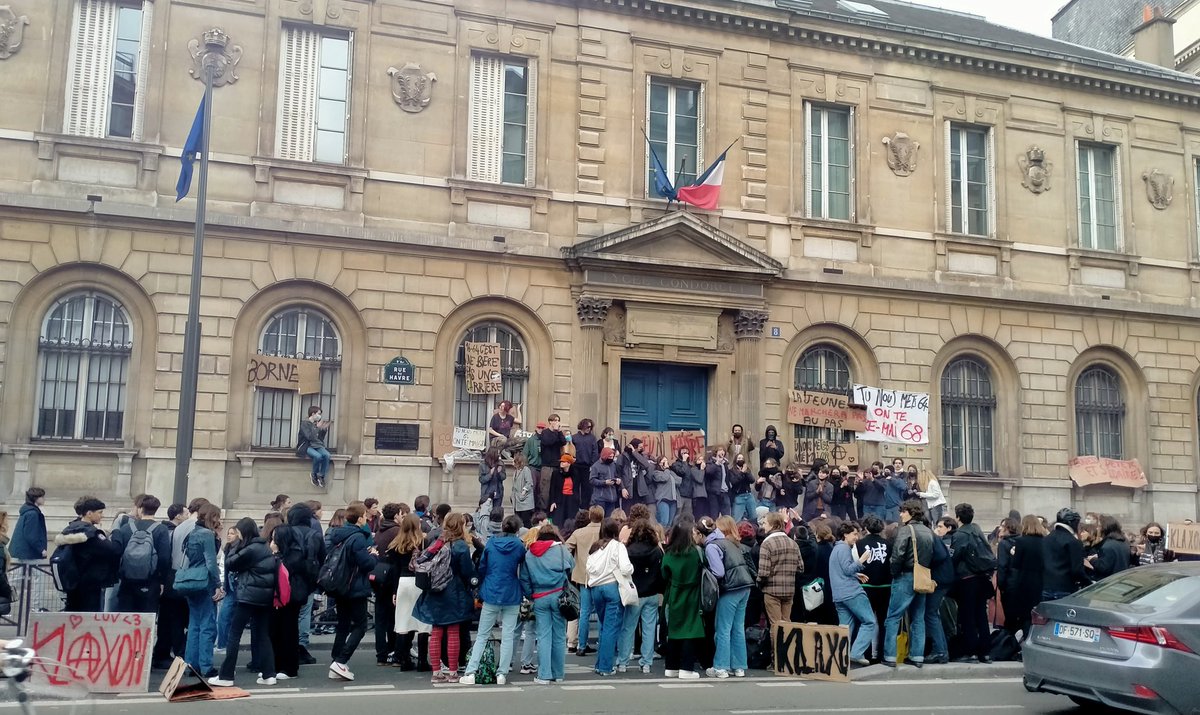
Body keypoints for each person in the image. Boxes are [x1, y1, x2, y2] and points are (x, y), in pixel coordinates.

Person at [209, 518, 278, 687]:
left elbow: (231, 563)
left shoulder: (250, 549)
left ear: (243, 532)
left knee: (234, 634)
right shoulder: (264, 547)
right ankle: (269, 674)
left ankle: (226, 676)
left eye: (238, 532)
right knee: (263, 635)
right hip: (264, 597)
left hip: (248, 596)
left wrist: (233, 546)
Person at [461, 515, 526, 685]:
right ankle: (502, 673)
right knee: (508, 635)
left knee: (482, 634)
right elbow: (523, 569)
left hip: (491, 590)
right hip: (511, 591)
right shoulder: (519, 546)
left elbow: (483, 566)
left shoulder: (491, 543)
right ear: (517, 529)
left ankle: (471, 671)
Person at [414, 513, 477, 683]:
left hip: (435, 592)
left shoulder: (438, 542)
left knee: (436, 632)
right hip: (454, 592)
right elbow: (466, 572)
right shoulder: (461, 546)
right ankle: (453, 671)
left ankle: (436, 671)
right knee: (453, 632)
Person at [269, 502, 322, 679]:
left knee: (281, 626)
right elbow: (321, 558)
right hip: (302, 584)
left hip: (285, 583)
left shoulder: (288, 532)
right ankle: (289, 665)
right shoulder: (314, 533)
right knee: (291, 625)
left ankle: (283, 665)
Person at [326, 502, 378, 681]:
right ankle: (341, 660)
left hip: (340, 584)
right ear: (360, 518)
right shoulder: (357, 538)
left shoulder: (338, 534)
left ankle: (336, 661)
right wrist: (373, 556)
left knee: (343, 624)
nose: (367, 518)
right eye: (365, 516)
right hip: (355, 586)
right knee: (361, 626)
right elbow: (365, 564)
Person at [520, 522, 574, 684]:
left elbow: (524, 577)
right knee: (558, 636)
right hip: (559, 596)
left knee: (543, 636)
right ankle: (558, 674)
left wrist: (531, 595)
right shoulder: (562, 551)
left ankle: (544, 674)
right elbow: (571, 569)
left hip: (539, 597)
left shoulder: (530, 553)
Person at [881, 500, 932, 668]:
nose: (901, 514)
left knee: (893, 617)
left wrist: (894, 573)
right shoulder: (928, 531)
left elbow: (897, 556)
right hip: (922, 576)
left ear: (911, 512)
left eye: (903, 511)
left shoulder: (905, 531)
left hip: (905, 576)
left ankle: (889, 655)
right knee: (918, 618)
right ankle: (917, 656)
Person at [700, 516, 752, 678]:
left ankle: (721, 666)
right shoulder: (732, 543)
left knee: (723, 628)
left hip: (730, 588)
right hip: (745, 586)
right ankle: (738, 666)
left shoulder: (712, 546)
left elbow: (719, 572)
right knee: (737, 628)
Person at [56, 497, 121, 612]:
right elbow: (113, 550)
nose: (102, 516)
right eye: (100, 512)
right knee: (89, 619)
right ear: (89, 513)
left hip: (73, 583)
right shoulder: (91, 534)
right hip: (90, 584)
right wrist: (116, 533)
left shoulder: (70, 528)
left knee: (73, 615)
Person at [948, 503, 995, 664]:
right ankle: (985, 652)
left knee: (967, 617)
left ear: (958, 517)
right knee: (981, 615)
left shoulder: (960, 534)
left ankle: (971, 652)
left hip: (967, 579)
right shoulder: (977, 530)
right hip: (982, 578)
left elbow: (954, 557)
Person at [585, 518, 632, 676]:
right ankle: (605, 666)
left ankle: (600, 664)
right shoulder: (618, 546)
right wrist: (631, 569)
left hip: (596, 589)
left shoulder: (594, 548)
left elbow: (589, 568)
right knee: (611, 629)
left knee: (605, 627)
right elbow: (625, 568)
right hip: (612, 587)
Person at [111, 494, 172, 613]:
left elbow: (118, 553)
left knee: (127, 617)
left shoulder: (126, 528)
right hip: (150, 581)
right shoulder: (161, 529)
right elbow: (164, 558)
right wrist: (162, 580)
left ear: (140, 508)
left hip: (127, 581)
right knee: (146, 619)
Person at [617, 518, 663, 674]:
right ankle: (646, 663)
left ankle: (623, 662)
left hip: (634, 593)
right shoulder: (656, 550)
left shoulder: (628, 550)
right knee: (649, 629)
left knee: (628, 628)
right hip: (652, 593)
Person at [387, 514, 432, 671]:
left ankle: (404, 659)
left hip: (402, 582)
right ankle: (422, 661)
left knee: (404, 620)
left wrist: (394, 591)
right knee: (422, 623)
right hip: (419, 582)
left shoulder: (396, 543)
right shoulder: (424, 542)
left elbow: (394, 570)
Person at [661, 516, 704, 679]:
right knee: (690, 630)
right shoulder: (696, 552)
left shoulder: (669, 553)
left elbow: (664, 575)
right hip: (692, 595)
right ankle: (686, 668)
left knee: (674, 630)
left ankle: (671, 666)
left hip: (674, 594)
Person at [183, 503, 223, 677]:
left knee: (194, 625)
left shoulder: (192, 533)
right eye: (217, 516)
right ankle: (206, 665)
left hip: (191, 581)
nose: (218, 520)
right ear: (211, 517)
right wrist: (217, 585)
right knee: (207, 624)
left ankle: (191, 664)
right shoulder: (207, 535)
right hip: (205, 581)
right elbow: (211, 563)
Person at [829, 522, 876, 667]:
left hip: (838, 594)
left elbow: (843, 570)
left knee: (845, 627)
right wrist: (861, 560)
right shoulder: (844, 549)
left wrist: (856, 574)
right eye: (855, 534)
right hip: (852, 592)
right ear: (845, 534)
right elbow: (848, 570)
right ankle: (856, 654)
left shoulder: (836, 549)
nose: (857, 537)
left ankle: (840, 658)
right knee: (869, 622)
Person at [565, 506, 603, 655]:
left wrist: (574, 564)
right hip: (601, 576)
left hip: (583, 575)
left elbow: (566, 548)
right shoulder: (604, 532)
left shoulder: (579, 533)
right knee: (601, 612)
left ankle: (581, 644)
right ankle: (602, 642)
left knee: (584, 611)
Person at [756, 511, 801, 633]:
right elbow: (800, 567)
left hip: (772, 591)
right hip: (789, 590)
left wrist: (759, 584)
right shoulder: (793, 543)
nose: (763, 526)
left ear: (772, 525)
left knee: (775, 627)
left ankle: (775, 652)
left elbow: (763, 573)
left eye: (765, 523)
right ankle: (787, 651)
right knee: (786, 625)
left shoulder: (767, 544)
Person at [855, 514, 891, 662]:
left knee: (866, 621)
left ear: (865, 528)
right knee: (883, 622)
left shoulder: (859, 544)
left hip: (866, 585)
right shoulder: (888, 544)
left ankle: (867, 654)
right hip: (885, 586)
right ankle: (882, 654)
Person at [371, 503, 403, 665]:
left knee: (380, 617)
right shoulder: (397, 532)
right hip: (392, 577)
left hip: (378, 576)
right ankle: (391, 650)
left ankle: (381, 654)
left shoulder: (379, 531)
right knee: (392, 617)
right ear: (396, 515)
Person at [1007, 515, 1046, 640]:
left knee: (1025, 613)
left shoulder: (1022, 541)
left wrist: (1013, 554)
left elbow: (1016, 564)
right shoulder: (1045, 541)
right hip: (1040, 580)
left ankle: (1026, 638)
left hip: (1024, 581)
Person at [925, 517, 956, 665]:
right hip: (945, 579)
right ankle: (942, 650)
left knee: (931, 614)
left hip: (940, 580)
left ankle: (940, 651)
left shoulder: (932, 537)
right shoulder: (936, 537)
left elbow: (940, 556)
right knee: (933, 614)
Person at [1042, 507, 1085, 600]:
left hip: (1045, 588)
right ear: (1073, 523)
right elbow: (1077, 570)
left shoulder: (1046, 539)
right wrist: (1090, 584)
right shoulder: (1074, 542)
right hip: (1065, 589)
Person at [1087, 514, 1133, 581]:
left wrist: (1092, 559)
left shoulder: (1107, 545)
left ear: (1105, 528)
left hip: (1110, 581)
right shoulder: (1124, 541)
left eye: (1099, 526)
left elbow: (1104, 567)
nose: (1097, 528)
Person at [538, 415, 568, 511]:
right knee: (545, 491)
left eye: (558, 420)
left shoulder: (558, 433)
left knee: (556, 489)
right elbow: (548, 442)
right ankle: (544, 511)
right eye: (555, 420)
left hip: (556, 466)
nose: (557, 422)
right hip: (547, 466)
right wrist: (555, 432)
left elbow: (563, 442)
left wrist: (559, 431)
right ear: (550, 421)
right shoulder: (545, 433)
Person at [298, 405, 332, 487]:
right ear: (313, 414)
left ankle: (321, 475)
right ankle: (314, 474)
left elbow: (320, 438)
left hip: (318, 445)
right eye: (318, 413)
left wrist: (323, 430)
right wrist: (316, 428)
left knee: (327, 455)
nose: (319, 416)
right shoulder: (305, 424)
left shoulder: (316, 424)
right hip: (307, 445)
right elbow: (309, 436)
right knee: (318, 456)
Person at [11, 487, 47, 561]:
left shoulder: (28, 512)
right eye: (42, 497)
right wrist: (41, 550)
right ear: (36, 498)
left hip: (22, 553)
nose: (44, 499)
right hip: (28, 554)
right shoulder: (32, 514)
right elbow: (31, 535)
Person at [590, 447, 621, 517]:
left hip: (612, 498)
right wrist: (604, 482)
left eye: (612, 457)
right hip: (600, 499)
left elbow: (616, 475)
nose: (611, 458)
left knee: (609, 520)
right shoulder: (596, 466)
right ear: (604, 456)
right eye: (609, 457)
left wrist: (617, 480)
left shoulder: (613, 465)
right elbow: (592, 480)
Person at [650, 456, 680, 528]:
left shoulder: (670, 472)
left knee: (670, 523)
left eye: (666, 461)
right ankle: (660, 537)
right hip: (663, 499)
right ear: (659, 463)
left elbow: (679, 481)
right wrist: (666, 469)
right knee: (664, 522)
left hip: (673, 500)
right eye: (663, 461)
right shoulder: (656, 473)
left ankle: (666, 538)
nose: (666, 462)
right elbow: (664, 478)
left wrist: (668, 471)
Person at [729, 454, 756, 523]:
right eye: (739, 458)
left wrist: (746, 472)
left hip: (749, 495)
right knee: (736, 519)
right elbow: (734, 482)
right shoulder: (732, 471)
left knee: (753, 517)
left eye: (742, 458)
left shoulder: (747, 469)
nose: (740, 459)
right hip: (739, 496)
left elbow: (752, 480)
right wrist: (741, 473)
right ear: (735, 460)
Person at [512, 453, 535, 528]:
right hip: (517, 501)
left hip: (525, 501)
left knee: (526, 521)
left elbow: (529, 482)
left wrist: (524, 491)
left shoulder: (526, 470)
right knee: (518, 521)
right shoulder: (516, 471)